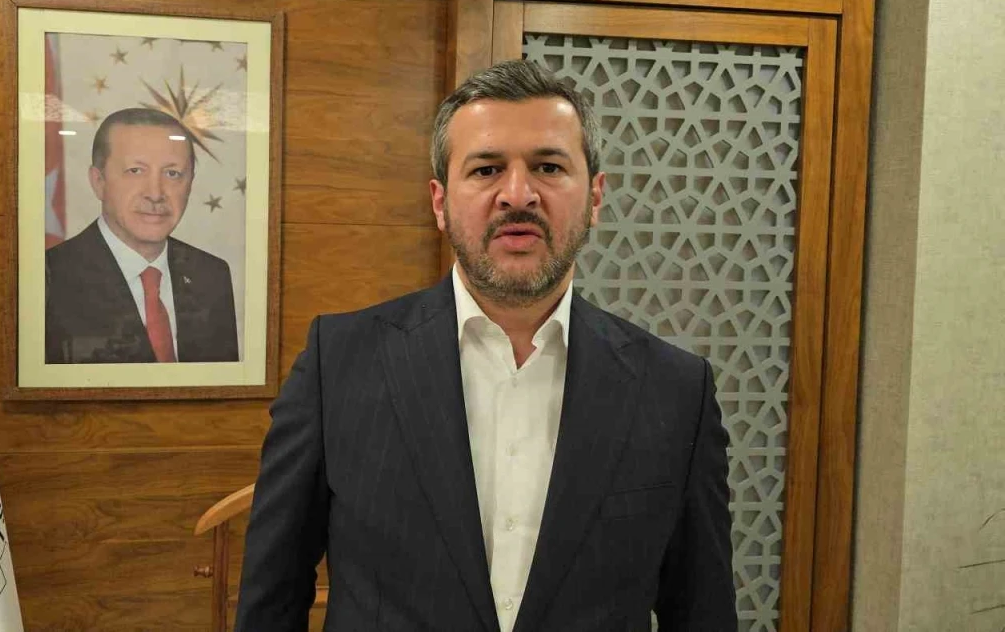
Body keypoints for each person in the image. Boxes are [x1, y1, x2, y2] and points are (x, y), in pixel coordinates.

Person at [234, 60, 735, 631]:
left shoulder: (676, 391)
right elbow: (271, 599)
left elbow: (703, 612)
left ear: (595, 197)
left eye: (548, 167)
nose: (517, 194)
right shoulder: (338, 365)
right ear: (440, 201)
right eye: (487, 169)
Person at [44, 107, 239, 364]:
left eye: (172, 173)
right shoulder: (49, 277)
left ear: (190, 183)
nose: (155, 194)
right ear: (99, 182)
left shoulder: (211, 275)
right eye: (135, 171)